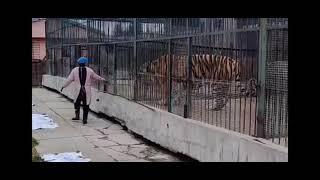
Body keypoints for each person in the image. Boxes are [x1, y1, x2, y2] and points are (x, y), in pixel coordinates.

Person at [60, 57, 105, 124]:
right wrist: (103, 80)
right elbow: (96, 76)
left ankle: (77, 116)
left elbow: (69, 79)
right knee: (86, 104)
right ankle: (84, 119)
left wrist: (63, 86)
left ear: (78, 63)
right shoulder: (89, 70)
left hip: (78, 90)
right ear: (85, 63)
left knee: (76, 103)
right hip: (86, 91)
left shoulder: (74, 70)